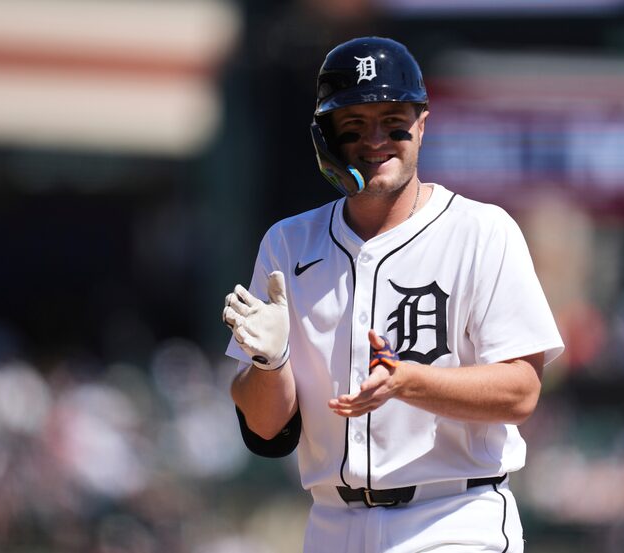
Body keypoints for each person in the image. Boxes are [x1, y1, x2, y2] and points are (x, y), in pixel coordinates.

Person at [223, 36, 564, 553]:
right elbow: (267, 429)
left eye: (392, 120)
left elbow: (522, 391)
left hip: (454, 517)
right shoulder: (288, 243)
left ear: (421, 125)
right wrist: (269, 365)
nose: (375, 139)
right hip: (332, 524)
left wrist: (410, 381)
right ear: (326, 138)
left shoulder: (481, 231)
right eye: (354, 125)